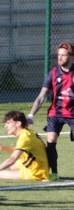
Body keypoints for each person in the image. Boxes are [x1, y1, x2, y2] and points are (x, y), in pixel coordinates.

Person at [26, 41, 74, 181]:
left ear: (71, 57)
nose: (59, 58)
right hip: (55, 113)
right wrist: (30, 115)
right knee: (51, 140)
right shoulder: (53, 74)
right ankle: (54, 173)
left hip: (72, 113)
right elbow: (41, 97)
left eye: (63, 55)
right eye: (58, 55)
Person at [0, 110, 49, 181]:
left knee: (1, 173)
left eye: (8, 123)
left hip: (36, 172)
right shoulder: (27, 133)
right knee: (13, 167)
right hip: (40, 165)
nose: (5, 126)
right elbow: (20, 149)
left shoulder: (24, 137)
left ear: (18, 124)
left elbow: (13, 158)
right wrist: (2, 148)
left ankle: (36, 176)